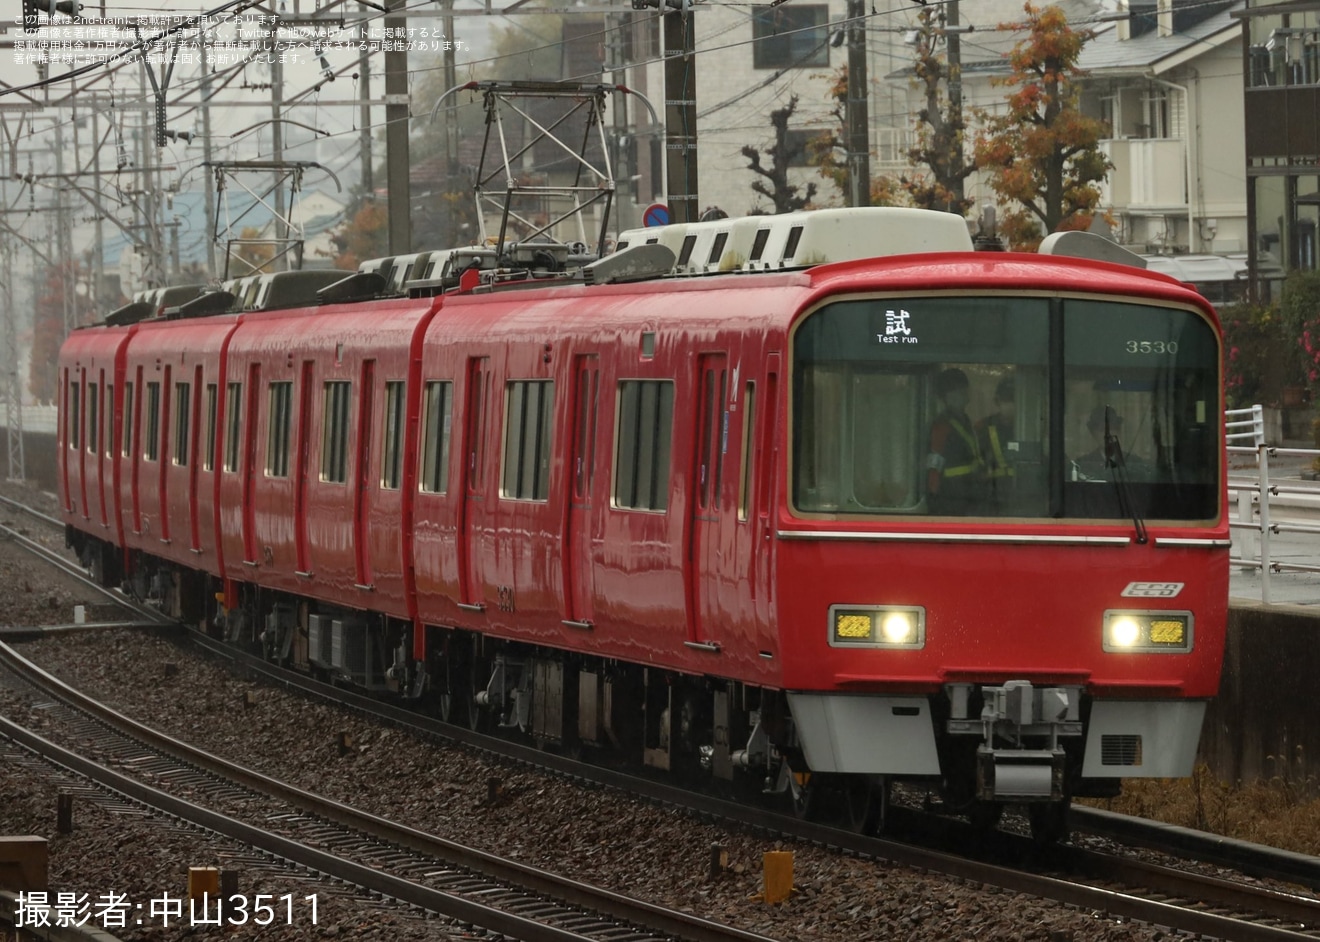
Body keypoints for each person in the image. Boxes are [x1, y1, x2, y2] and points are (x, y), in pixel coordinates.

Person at [927, 368, 986, 514]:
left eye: (963, 389)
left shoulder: (965, 421)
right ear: (946, 397)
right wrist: (933, 497)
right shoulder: (942, 425)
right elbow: (934, 463)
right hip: (949, 498)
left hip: (969, 494)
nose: (962, 394)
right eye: (956, 391)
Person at [976, 376, 1017, 504]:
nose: (1010, 404)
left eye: (1013, 399)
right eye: (1006, 399)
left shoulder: (1034, 429)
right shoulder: (982, 427)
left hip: (1027, 493)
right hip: (992, 495)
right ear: (997, 401)